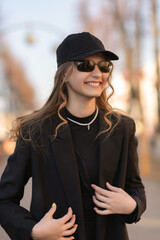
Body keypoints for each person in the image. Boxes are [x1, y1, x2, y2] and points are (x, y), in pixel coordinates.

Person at [0, 32, 146, 240]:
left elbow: (135, 188)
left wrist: (132, 205)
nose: (98, 73)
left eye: (104, 66)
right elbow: (4, 200)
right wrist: (33, 231)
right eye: (86, 65)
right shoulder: (35, 131)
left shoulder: (123, 128)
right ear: (65, 73)